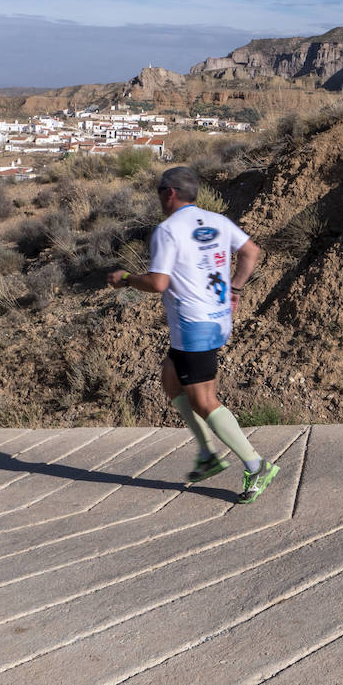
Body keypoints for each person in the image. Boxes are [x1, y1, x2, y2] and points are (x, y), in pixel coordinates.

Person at [107, 166, 278, 504]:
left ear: (169, 193)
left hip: (193, 325)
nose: (158, 197)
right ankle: (207, 454)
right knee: (171, 379)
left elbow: (158, 283)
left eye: (159, 190)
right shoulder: (217, 221)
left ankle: (256, 464)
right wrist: (236, 288)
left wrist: (126, 278)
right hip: (216, 318)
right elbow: (251, 251)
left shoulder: (167, 230)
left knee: (204, 400)